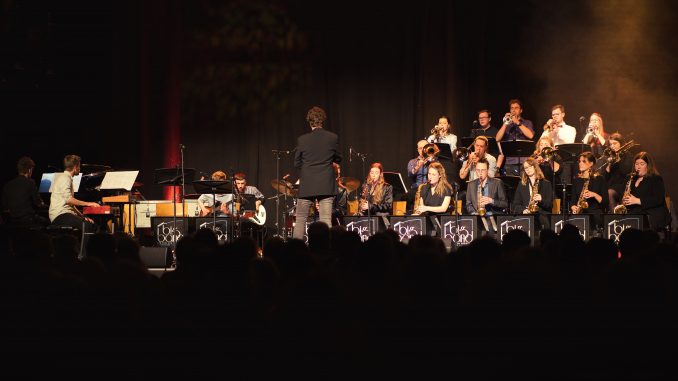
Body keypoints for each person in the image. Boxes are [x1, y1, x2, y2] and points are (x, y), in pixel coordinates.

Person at [293, 106, 342, 240]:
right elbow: (338, 158)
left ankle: (294, 250)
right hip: (326, 184)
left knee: (300, 219)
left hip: (307, 184)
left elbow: (296, 163)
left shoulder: (302, 140)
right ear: (322, 121)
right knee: (326, 219)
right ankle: (326, 250)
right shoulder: (332, 137)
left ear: (309, 122)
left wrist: (308, 171)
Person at [48, 155, 99, 233]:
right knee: (89, 226)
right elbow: (69, 200)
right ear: (75, 167)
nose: (80, 168)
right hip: (60, 215)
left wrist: (82, 216)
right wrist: (89, 204)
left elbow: (71, 204)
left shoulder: (66, 178)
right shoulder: (65, 178)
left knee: (90, 224)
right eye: (79, 166)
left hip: (65, 213)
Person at [621, 152, 671, 231]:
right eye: (636, 164)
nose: (638, 167)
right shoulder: (631, 178)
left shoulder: (655, 178)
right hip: (636, 212)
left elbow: (658, 199)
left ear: (648, 165)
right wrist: (625, 200)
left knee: (634, 221)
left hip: (652, 212)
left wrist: (637, 201)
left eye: (642, 164)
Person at [1, 156, 48, 228]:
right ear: (29, 170)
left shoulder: (8, 185)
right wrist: (48, 206)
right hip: (28, 220)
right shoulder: (30, 182)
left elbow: (5, 207)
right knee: (47, 222)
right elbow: (38, 203)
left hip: (12, 221)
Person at [495, 99, 535, 175]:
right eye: (512, 108)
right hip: (510, 162)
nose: (513, 110)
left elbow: (530, 135)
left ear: (521, 110)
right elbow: (497, 138)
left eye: (516, 108)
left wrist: (517, 122)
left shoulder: (527, 122)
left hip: (524, 161)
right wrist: (505, 123)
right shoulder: (507, 124)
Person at [512, 157, 553, 228]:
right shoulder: (521, 184)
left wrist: (541, 200)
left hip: (541, 217)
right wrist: (523, 210)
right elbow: (515, 205)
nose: (528, 169)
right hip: (527, 217)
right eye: (526, 168)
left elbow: (550, 205)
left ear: (535, 167)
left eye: (530, 166)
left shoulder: (546, 183)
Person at [570, 152, 608, 228]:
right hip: (581, 213)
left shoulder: (600, 179)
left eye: (584, 161)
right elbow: (573, 201)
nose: (580, 163)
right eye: (579, 161)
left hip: (595, 213)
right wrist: (573, 207)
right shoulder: (576, 180)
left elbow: (605, 202)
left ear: (591, 163)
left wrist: (594, 195)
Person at [601, 133, 634, 212]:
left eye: (615, 143)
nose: (612, 146)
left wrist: (619, 161)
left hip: (623, 186)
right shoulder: (611, 157)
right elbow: (604, 178)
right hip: (611, 185)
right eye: (611, 144)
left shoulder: (628, 155)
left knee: (609, 193)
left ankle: (614, 217)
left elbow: (626, 172)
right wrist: (608, 166)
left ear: (621, 143)